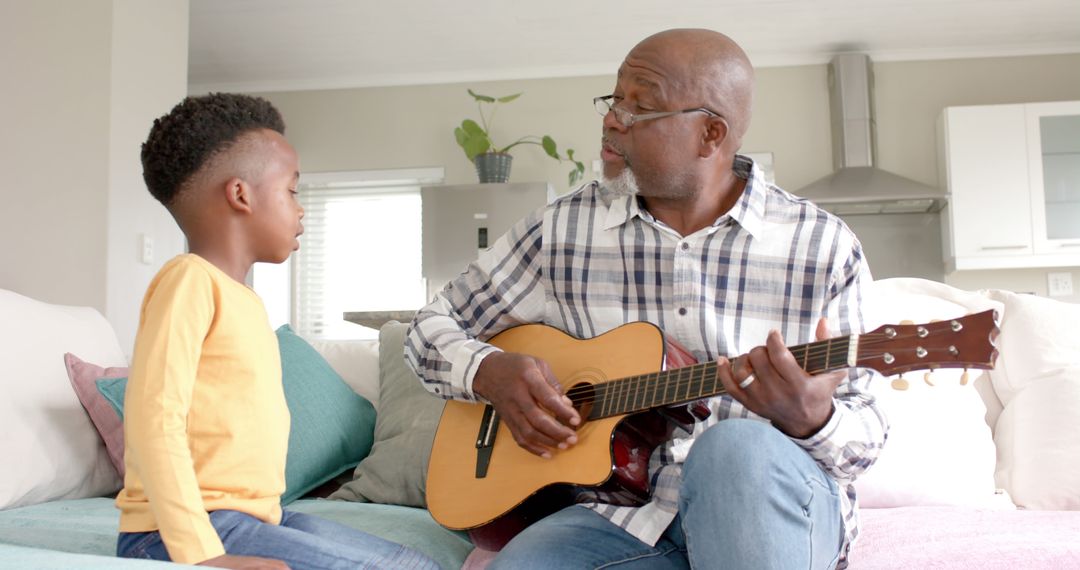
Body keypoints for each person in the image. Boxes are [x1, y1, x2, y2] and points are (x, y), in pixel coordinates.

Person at [406, 28, 887, 569]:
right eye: (615, 100)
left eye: (641, 108)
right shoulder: (559, 230)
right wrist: (487, 372)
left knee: (732, 449)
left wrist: (813, 416)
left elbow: (865, 441)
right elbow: (430, 327)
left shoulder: (823, 246)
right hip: (619, 518)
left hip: (766, 508)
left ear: (710, 134)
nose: (613, 120)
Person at [116, 93, 438, 570]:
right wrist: (203, 555)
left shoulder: (243, 299)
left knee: (417, 561)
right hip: (182, 532)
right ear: (241, 194)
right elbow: (154, 418)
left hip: (256, 518)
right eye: (291, 190)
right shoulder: (189, 280)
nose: (301, 209)